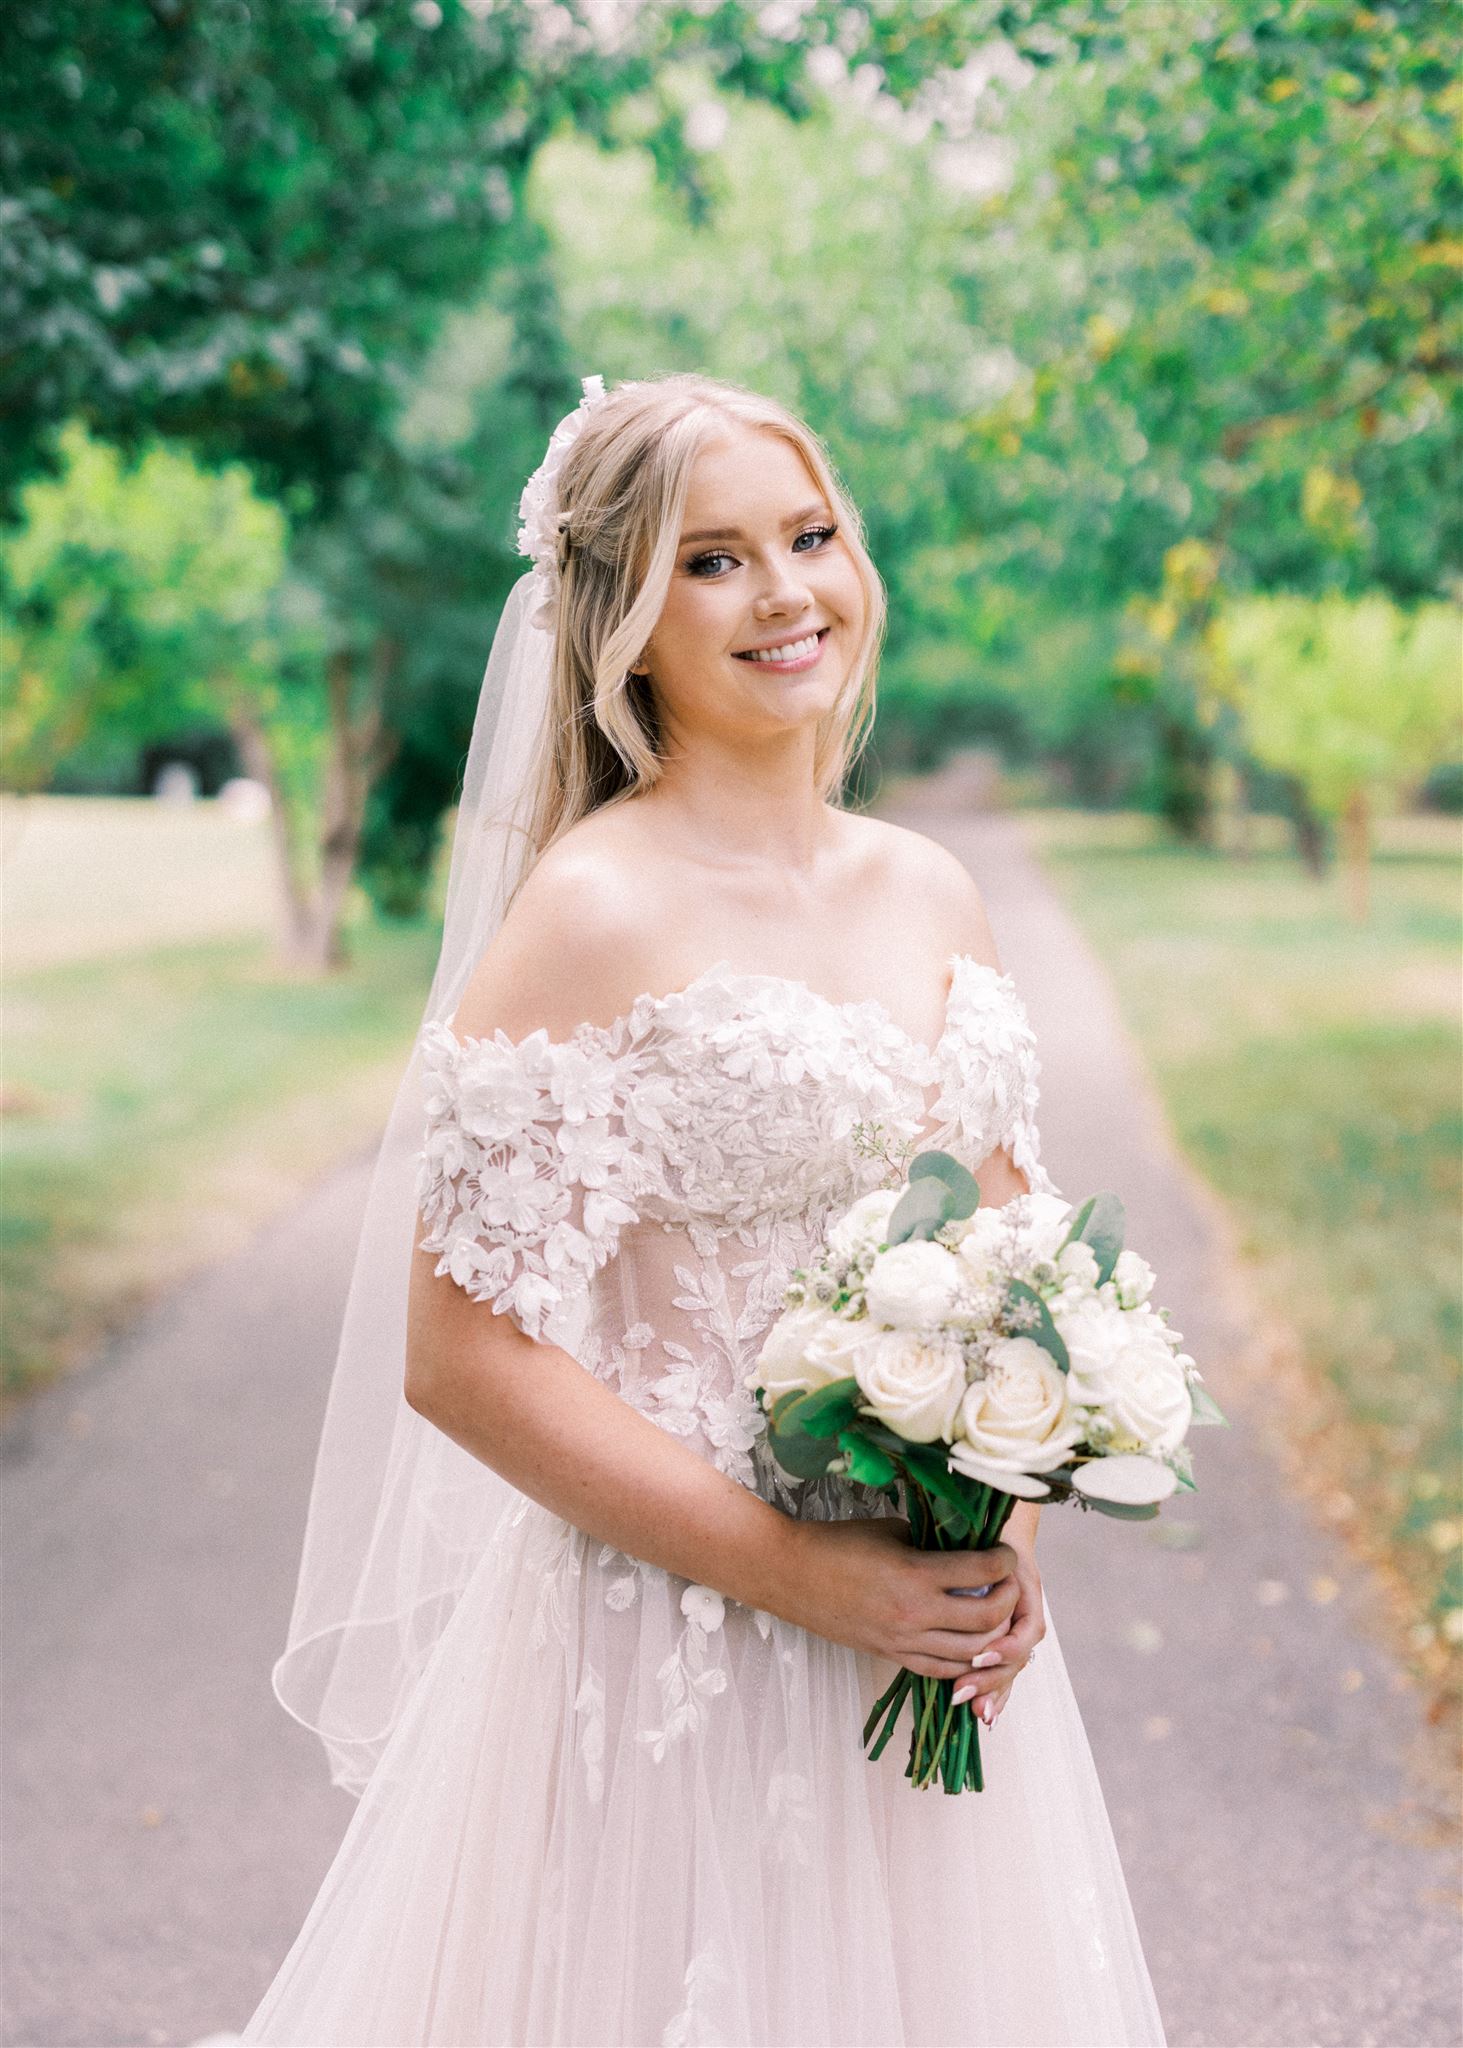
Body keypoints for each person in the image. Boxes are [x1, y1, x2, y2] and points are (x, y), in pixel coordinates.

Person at [235, 370, 1167, 2046]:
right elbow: (462, 1361)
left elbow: (1017, 1265)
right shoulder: (588, 916)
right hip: (668, 1657)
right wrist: (805, 1580)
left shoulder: (930, 887)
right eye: (713, 559)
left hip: (926, 1641)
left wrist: (997, 1547)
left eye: (808, 537)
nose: (787, 591)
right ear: (623, 622)